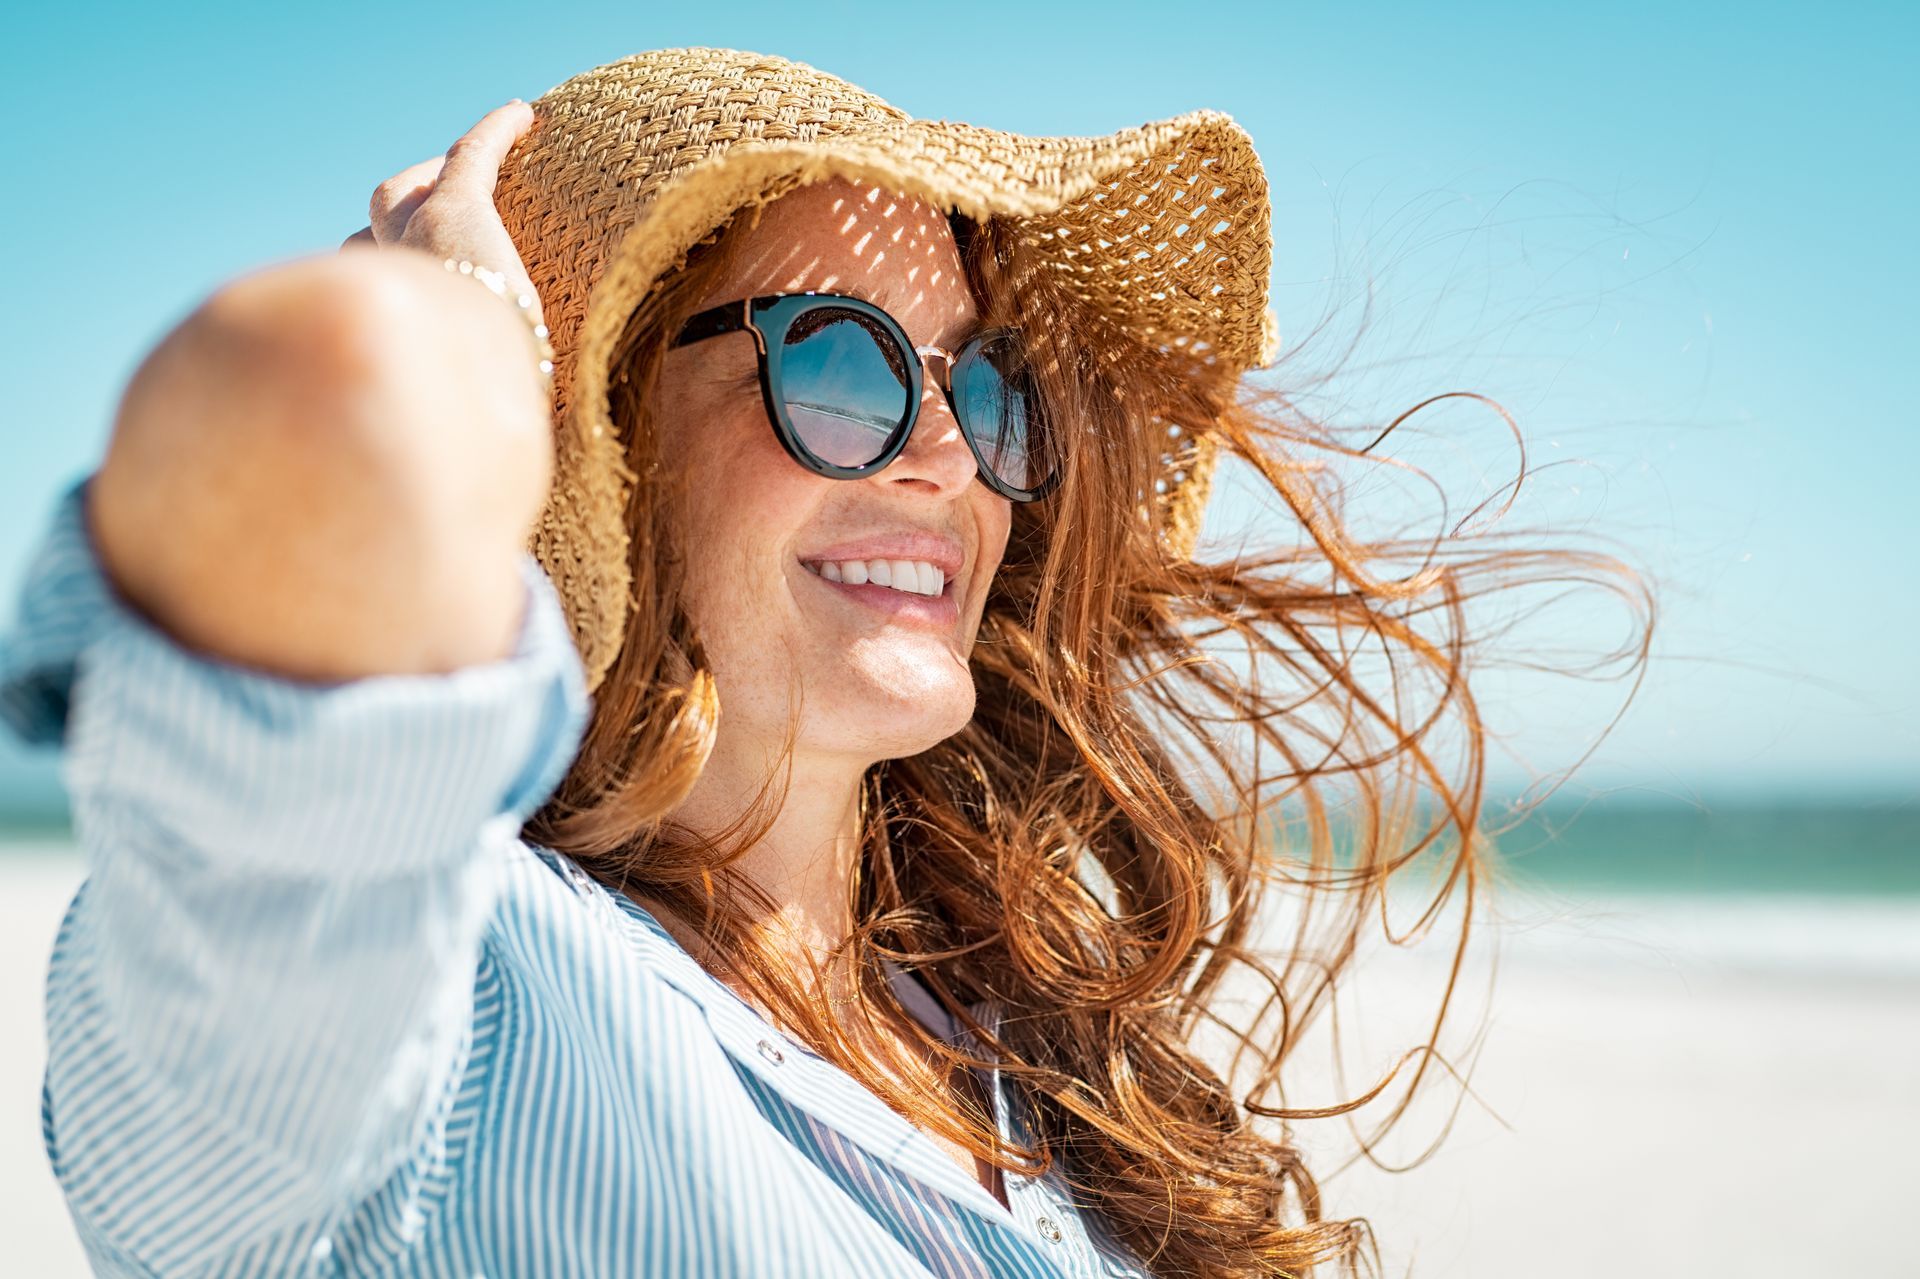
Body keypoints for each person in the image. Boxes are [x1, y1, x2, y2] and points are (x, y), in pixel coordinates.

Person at [0, 47, 1648, 1279]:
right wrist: (452, 356)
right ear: (603, 439)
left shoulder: (1010, 1048)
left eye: (983, 386)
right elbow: (297, 397)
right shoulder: (432, 1006)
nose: (943, 452)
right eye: (840, 367)